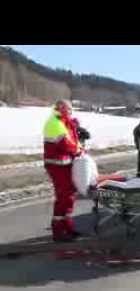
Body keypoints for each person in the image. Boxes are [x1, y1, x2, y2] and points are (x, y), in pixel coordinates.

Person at [43, 100, 84, 242]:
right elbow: (65, 144)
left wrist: (80, 146)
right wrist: (78, 151)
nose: (71, 111)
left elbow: (74, 141)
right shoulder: (54, 123)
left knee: (69, 195)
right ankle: (58, 232)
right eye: (68, 109)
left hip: (65, 164)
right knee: (63, 196)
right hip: (57, 165)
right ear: (60, 108)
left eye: (71, 109)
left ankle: (67, 227)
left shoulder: (65, 122)